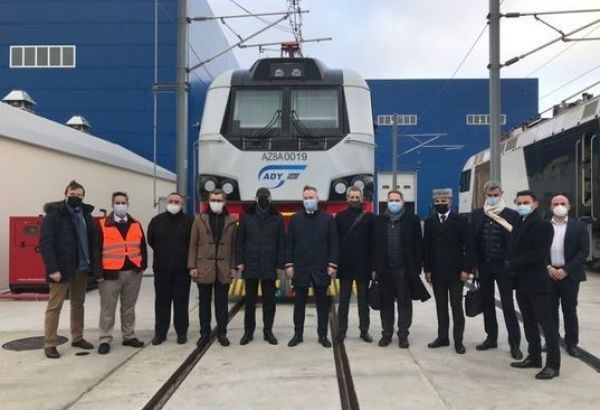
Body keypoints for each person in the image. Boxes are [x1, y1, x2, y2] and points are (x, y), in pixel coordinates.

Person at [39, 180, 96, 358]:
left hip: (82, 267)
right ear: (66, 194)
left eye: (79, 195)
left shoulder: (86, 215)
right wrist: (53, 268)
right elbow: (45, 243)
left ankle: (77, 337)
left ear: (83, 196)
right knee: (54, 306)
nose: (76, 197)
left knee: (78, 304)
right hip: (61, 269)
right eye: (73, 194)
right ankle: (50, 343)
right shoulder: (54, 215)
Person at [508, 190, 560, 380]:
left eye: (526, 202)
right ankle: (534, 356)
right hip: (521, 282)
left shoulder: (543, 226)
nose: (522, 205)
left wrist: (512, 264)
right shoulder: (518, 223)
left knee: (547, 325)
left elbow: (538, 254)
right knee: (529, 322)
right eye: (519, 202)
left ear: (535, 204)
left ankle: (553, 364)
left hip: (537, 282)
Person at [471, 180, 522, 359]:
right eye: (490, 195)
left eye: (496, 195)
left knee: (508, 305)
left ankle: (514, 343)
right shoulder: (478, 214)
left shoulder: (512, 215)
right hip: (484, 266)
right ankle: (491, 337)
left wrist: (512, 264)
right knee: (487, 303)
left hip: (504, 267)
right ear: (485, 195)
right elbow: (473, 242)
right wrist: (474, 266)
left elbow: (517, 242)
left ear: (502, 194)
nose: (493, 198)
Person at [372, 190, 429, 348]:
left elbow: (418, 245)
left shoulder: (412, 220)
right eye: (391, 200)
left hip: (404, 270)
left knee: (404, 304)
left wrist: (416, 268)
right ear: (387, 202)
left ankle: (403, 334)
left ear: (403, 202)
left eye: (397, 200)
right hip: (385, 271)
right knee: (386, 304)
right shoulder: (379, 220)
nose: (394, 202)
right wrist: (375, 268)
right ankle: (387, 334)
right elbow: (375, 245)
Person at [285, 185, 339, 348]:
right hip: (300, 267)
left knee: (322, 305)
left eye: (311, 197)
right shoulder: (295, 219)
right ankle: (298, 334)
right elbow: (290, 243)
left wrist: (332, 264)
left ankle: (322, 335)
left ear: (318, 199)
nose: (309, 200)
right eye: (306, 198)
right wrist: (289, 264)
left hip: (321, 268)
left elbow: (334, 243)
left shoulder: (327, 218)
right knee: (299, 304)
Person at [95, 192, 148, 354]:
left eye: (123, 202)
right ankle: (105, 339)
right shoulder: (102, 224)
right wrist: (98, 273)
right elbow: (95, 250)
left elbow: (142, 247)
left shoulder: (135, 224)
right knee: (107, 309)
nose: (120, 205)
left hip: (133, 272)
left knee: (128, 308)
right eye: (117, 203)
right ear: (112, 205)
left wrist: (142, 265)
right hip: (110, 274)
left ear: (128, 204)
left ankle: (128, 336)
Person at [423, 189, 473, 354]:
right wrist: (427, 270)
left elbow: (469, 247)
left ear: (450, 202)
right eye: (437, 202)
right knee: (441, 306)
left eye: (443, 201)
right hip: (437, 272)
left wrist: (467, 269)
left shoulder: (460, 221)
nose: (440, 204)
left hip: (456, 272)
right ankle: (442, 337)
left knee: (456, 306)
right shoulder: (430, 222)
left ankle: (458, 340)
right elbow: (427, 248)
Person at [188, 189, 237, 348]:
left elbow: (234, 246)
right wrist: (192, 266)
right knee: (204, 303)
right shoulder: (200, 219)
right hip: (204, 267)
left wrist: (233, 266)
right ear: (209, 201)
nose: (215, 203)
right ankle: (205, 333)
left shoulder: (231, 221)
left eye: (219, 200)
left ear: (224, 202)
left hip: (223, 268)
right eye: (213, 200)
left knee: (222, 304)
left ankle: (222, 333)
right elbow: (193, 244)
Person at [236, 187, 285, 346]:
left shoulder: (277, 218)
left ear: (270, 199)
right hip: (251, 264)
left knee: (269, 301)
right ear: (256, 199)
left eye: (266, 197)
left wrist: (280, 264)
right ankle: (248, 332)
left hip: (270, 265)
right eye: (261, 197)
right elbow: (239, 241)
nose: (264, 200)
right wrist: (240, 261)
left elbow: (281, 244)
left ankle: (268, 331)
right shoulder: (246, 217)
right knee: (249, 301)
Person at [147, 192, 193, 345]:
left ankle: (181, 333)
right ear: (167, 202)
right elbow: (151, 240)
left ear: (182, 204)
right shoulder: (157, 221)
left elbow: (192, 243)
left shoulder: (189, 221)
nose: (174, 203)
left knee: (181, 303)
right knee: (162, 302)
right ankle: (160, 333)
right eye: (171, 201)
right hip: (162, 269)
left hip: (182, 271)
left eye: (177, 201)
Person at [547, 194, 589, 358]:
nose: (559, 206)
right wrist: (548, 267)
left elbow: (583, 251)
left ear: (569, 206)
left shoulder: (578, 226)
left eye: (562, 203)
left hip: (569, 276)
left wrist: (566, 270)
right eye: (555, 203)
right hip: (549, 274)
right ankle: (551, 340)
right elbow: (539, 249)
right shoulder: (545, 226)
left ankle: (571, 343)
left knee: (569, 310)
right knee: (550, 311)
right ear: (551, 207)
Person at [335, 186, 375, 343]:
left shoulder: (370, 217)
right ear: (346, 198)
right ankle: (342, 331)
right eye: (351, 197)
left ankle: (364, 330)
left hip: (364, 265)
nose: (354, 200)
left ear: (362, 197)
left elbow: (374, 243)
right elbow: (335, 241)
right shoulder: (340, 217)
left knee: (363, 302)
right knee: (343, 301)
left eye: (357, 197)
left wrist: (374, 266)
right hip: (345, 265)